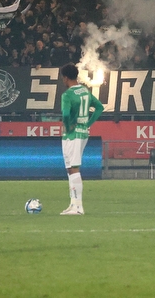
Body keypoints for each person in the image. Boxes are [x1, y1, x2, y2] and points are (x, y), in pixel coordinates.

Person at [59, 64, 104, 215]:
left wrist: (67, 126)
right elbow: (99, 108)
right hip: (82, 133)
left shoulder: (67, 95)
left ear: (65, 78)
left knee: (74, 168)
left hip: (73, 135)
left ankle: (78, 207)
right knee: (70, 168)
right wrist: (88, 123)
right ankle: (73, 204)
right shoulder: (85, 91)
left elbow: (65, 115)